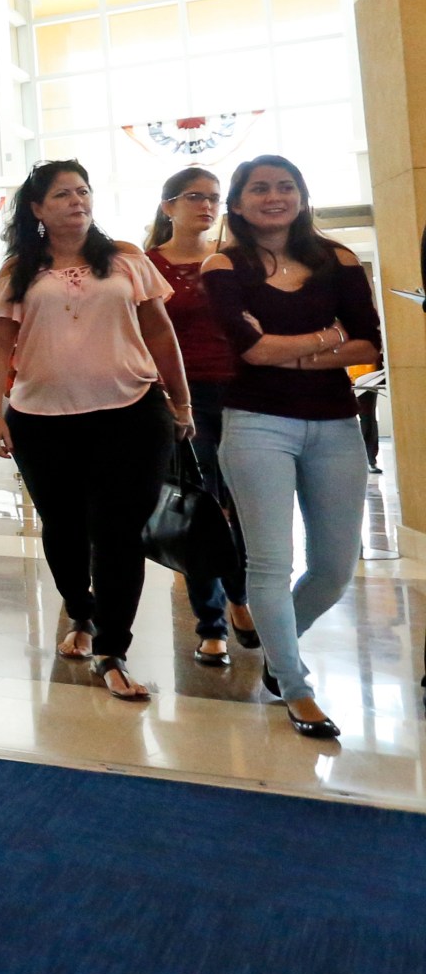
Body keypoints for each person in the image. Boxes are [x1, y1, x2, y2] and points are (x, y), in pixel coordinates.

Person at [0, 160, 194, 703]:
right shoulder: (18, 270)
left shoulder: (126, 259)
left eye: (82, 191)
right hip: (41, 420)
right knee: (65, 526)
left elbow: (159, 329)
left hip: (131, 413)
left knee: (120, 531)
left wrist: (181, 399)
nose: (76, 201)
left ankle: (113, 651)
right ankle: (80, 610)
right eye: (61, 195)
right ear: (37, 210)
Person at [201, 154, 382, 740]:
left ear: (302, 196)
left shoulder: (339, 259)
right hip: (256, 423)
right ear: (238, 203)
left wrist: (296, 347)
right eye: (259, 189)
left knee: (333, 568)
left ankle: (279, 650)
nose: (273, 197)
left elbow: (369, 348)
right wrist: (328, 337)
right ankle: (295, 685)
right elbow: (250, 351)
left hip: (335, 423)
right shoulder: (224, 265)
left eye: (285, 187)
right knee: (271, 563)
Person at [143, 166, 257, 667]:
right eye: (195, 196)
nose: (206, 206)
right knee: (202, 511)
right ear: (169, 206)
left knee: (244, 508)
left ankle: (240, 596)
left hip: (241, 392)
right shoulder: (146, 265)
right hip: (179, 398)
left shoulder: (233, 262)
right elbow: (140, 335)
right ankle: (211, 621)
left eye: (214, 198)